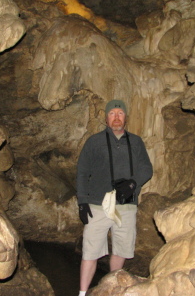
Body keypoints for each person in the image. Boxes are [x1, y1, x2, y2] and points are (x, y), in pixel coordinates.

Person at [76, 99, 153, 296]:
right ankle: (83, 293)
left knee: (120, 249)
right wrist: (82, 201)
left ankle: (111, 289)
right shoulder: (94, 142)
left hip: (126, 205)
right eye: (112, 113)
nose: (116, 117)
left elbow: (146, 168)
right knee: (90, 252)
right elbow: (83, 171)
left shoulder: (135, 142)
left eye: (120, 113)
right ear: (106, 118)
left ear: (125, 117)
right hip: (97, 204)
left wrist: (133, 183)